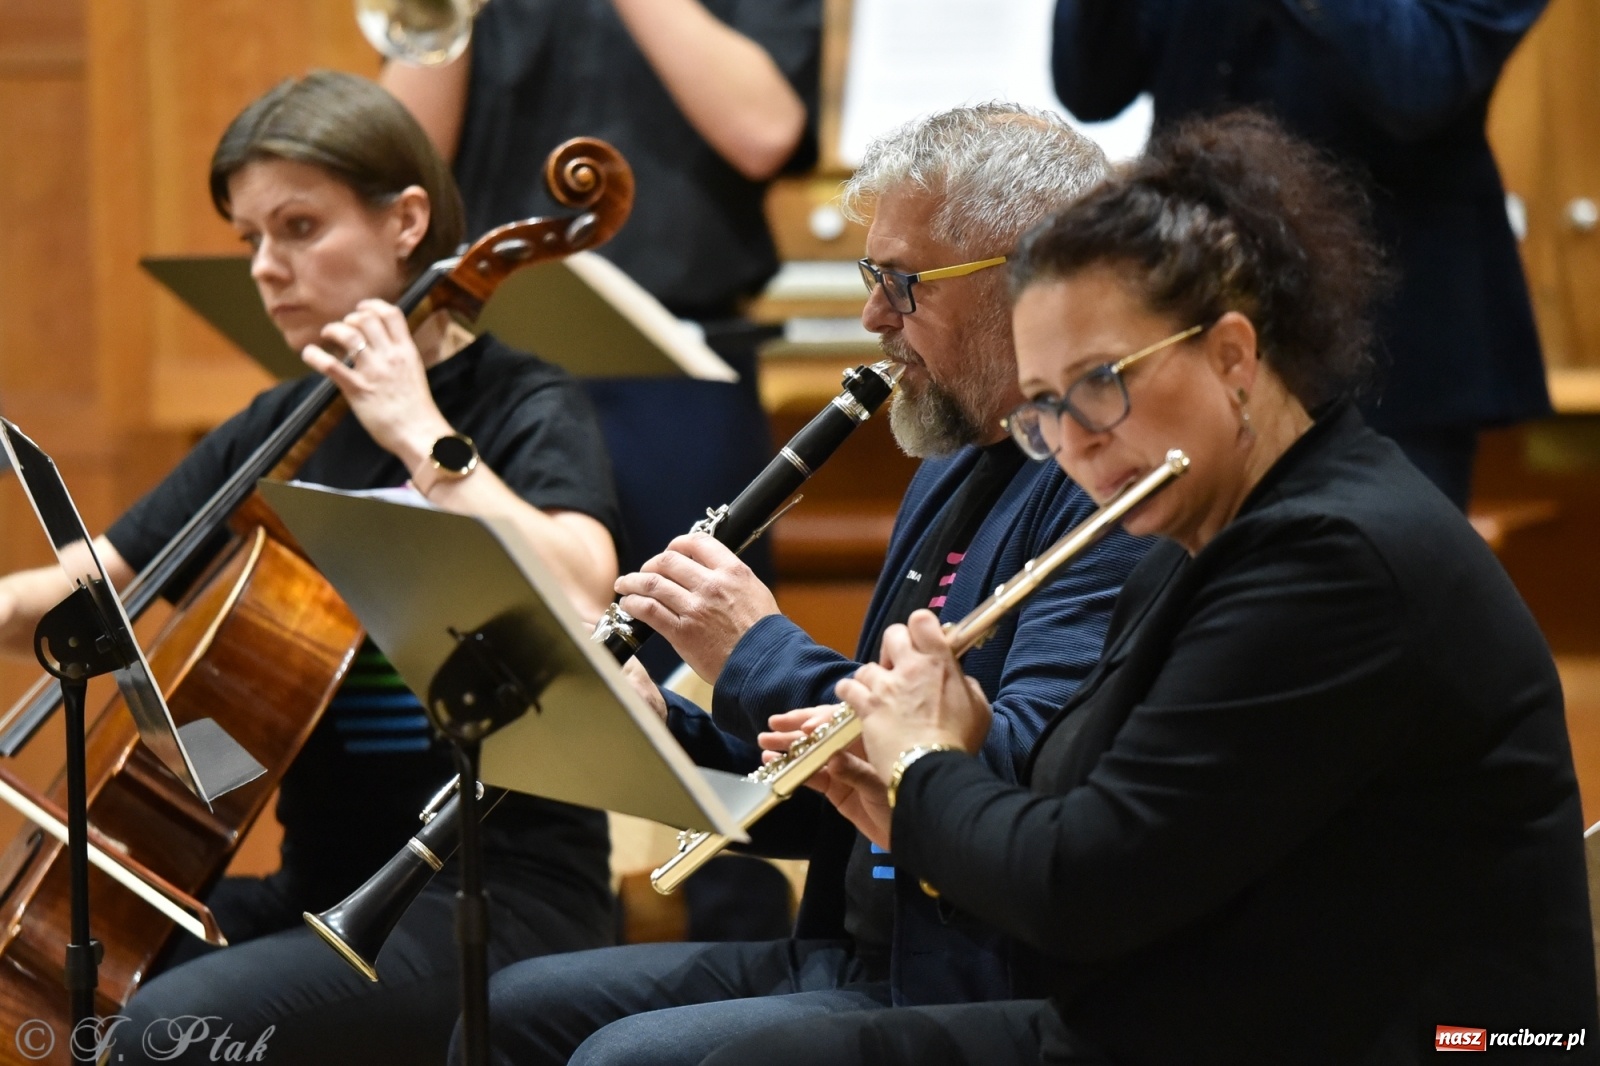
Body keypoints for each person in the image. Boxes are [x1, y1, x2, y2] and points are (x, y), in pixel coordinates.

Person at [705, 112, 1599, 1066]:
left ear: (1233, 356)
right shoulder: (1202, 528)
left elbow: (1079, 887)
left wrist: (924, 770)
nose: (1075, 443)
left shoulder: (1330, 562)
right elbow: (1079, 824)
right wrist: (933, 767)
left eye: (1099, 385)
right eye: (1044, 405)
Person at [450, 103, 1152, 1066]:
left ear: (1028, 280)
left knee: (627, 1060)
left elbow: (1013, 768)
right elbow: (844, 770)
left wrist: (754, 649)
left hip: (977, 970)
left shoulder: (1105, 488)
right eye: (874, 278)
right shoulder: (952, 459)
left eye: (903, 285)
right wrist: (659, 730)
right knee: (514, 1009)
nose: (874, 316)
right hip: (856, 943)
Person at [0, 71, 625, 1064]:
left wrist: (419, 431)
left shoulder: (522, 406)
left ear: (406, 221)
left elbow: (583, 590)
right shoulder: (281, 424)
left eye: (298, 227)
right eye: (250, 238)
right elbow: (95, 580)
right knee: (66, 969)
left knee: (170, 1028)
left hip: (487, 893)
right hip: (323, 891)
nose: (265, 267)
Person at [383, 0, 823, 678]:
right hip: (489, 361)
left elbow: (764, 131)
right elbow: (394, 166)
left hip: (678, 374)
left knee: (695, 660)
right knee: (503, 666)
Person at [1050, 0, 1552, 510]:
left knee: (1370, 574)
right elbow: (1090, 86)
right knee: (1200, 575)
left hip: (1394, 341)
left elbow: (1418, 80)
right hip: (1195, 313)